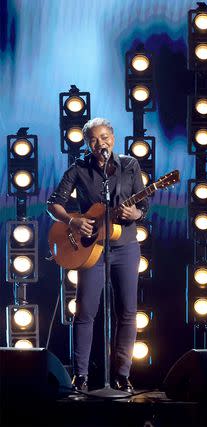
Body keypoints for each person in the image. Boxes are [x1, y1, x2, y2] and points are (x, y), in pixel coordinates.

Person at [47, 118, 148, 393]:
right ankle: (80, 376)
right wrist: (72, 222)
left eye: (104, 137)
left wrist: (135, 213)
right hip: (91, 250)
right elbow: (53, 203)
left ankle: (122, 375)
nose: (99, 143)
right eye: (93, 139)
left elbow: (144, 206)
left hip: (125, 246)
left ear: (113, 137)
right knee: (85, 312)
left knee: (127, 312)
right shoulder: (79, 168)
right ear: (87, 143)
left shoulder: (130, 166)